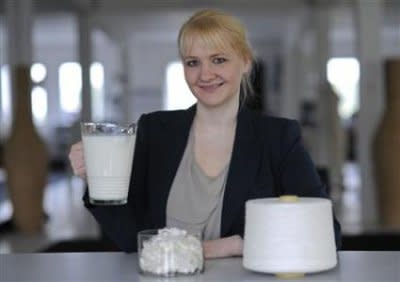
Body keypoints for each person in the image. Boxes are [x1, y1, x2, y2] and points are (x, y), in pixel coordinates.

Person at [69, 9, 341, 258]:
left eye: (219, 60)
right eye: (192, 63)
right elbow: (130, 237)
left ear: (245, 62)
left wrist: (230, 245)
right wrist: (96, 178)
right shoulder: (155, 131)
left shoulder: (278, 137)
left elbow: (325, 232)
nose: (205, 74)